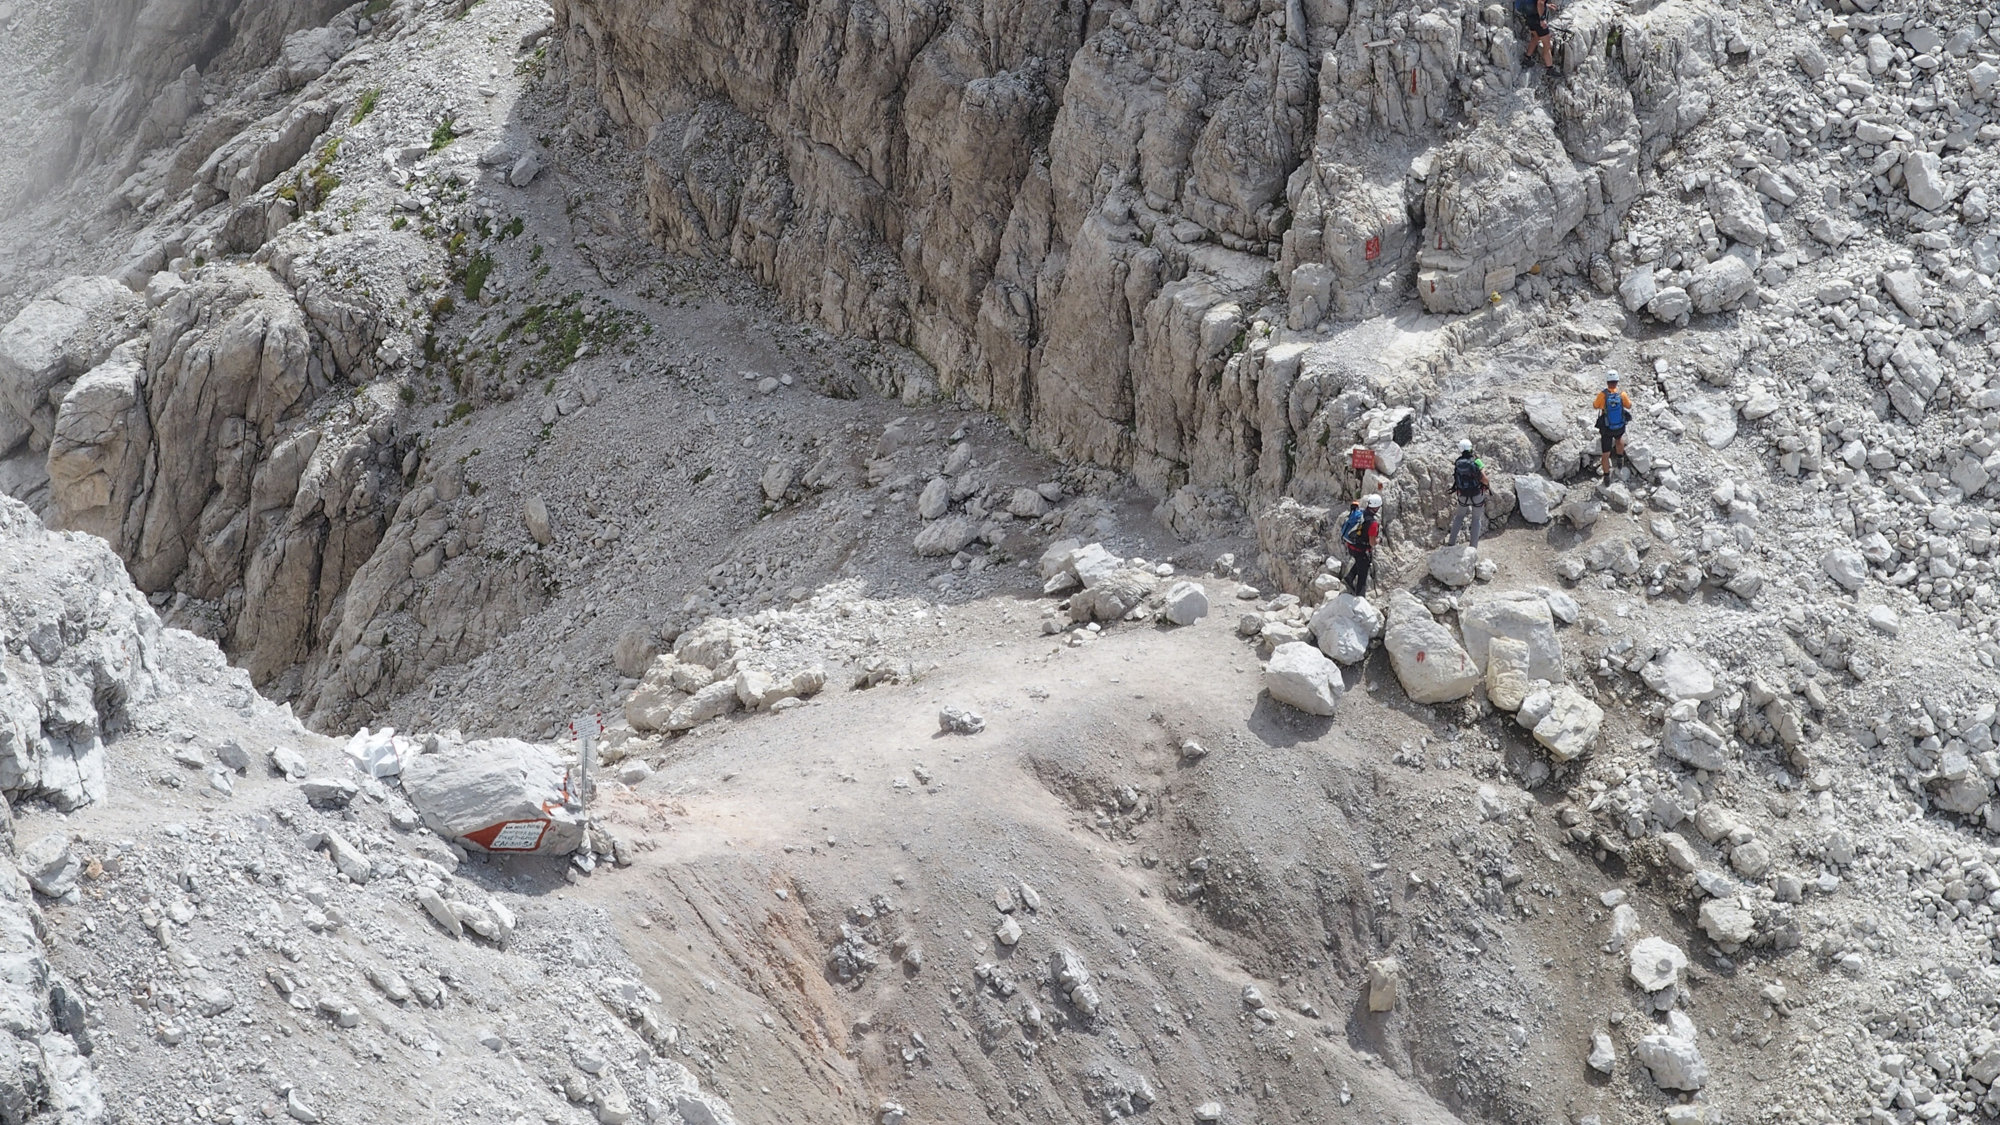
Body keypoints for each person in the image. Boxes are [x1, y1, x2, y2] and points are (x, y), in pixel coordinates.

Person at [1446, 439, 1490, 548]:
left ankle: (1451, 543)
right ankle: (1473, 547)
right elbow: (1484, 479)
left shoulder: (1458, 462)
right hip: (1477, 495)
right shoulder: (1476, 461)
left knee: (1459, 517)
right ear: (1470, 448)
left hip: (1462, 495)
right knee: (1476, 519)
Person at [1594, 374, 1633, 484]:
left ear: (1607, 382)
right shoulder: (1622, 394)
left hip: (1606, 428)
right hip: (1619, 425)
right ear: (1617, 381)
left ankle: (1606, 477)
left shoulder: (1603, 395)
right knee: (1619, 438)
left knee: (1605, 453)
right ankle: (1620, 459)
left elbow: (1595, 406)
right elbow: (1629, 406)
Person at [1343, 494, 1382, 597]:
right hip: (1361, 551)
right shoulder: (1373, 523)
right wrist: (1378, 540)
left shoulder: (1361, 513)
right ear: (1377, 507)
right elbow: (1372, 543)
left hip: (1351, 546)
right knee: (1362, 576)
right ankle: (1361, 598)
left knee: (1360, 564)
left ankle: (1349, 578)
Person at [1515, 0, 1556, 71]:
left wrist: (1546, 5)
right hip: (1537, 18)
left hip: (1528, 15)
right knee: (1547, 43)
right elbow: (1540, 2)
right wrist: (1542, 19)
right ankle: (1550, 69)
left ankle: (1527, 58)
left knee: (1536, 36)